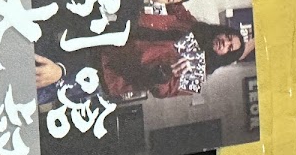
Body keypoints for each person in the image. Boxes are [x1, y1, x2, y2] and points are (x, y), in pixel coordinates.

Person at [36, 22, 246, 100]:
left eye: (229, 48)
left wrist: (167, 74)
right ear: (222, 31)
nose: (225, 43)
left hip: (107, 77)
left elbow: (161, 92)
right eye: (228, 37)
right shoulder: (191, 27)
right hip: (105, 44)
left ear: (225, 57)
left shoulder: (195, 75)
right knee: (42, 54)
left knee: (43, 85)